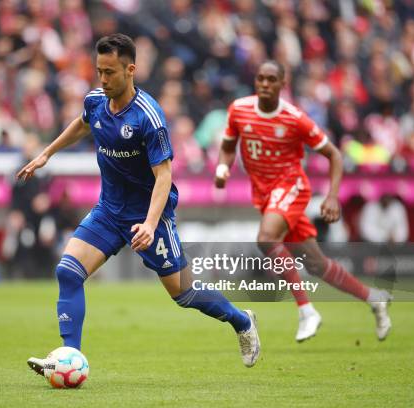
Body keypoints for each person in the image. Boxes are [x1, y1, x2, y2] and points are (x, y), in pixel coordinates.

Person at [21, 34, 260, 374]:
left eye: (110, 72)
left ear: (130, 70)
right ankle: (68, 358)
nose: (102, 80)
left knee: (183, 293)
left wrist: (149, 224)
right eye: (99, 71)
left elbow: (163, 176)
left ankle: (241, 321)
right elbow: (82, 124)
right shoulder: (95, 101)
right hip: (108, 211)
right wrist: (47, 152)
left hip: (150, 217)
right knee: (68, 271)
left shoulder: (149, 117)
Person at [215, 61, 392, 342]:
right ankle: (374, 298)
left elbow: (334, 154)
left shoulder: (295, 118)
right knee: (316, 264)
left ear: (282, 84)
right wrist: (222, 169)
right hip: (265, 194)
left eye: (271, 79)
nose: (264, 84)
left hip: (291, 186)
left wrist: (332, 196)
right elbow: (227, 146)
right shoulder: (239, 109)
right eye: (260, 78)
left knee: (266, 238)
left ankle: (306, 310)